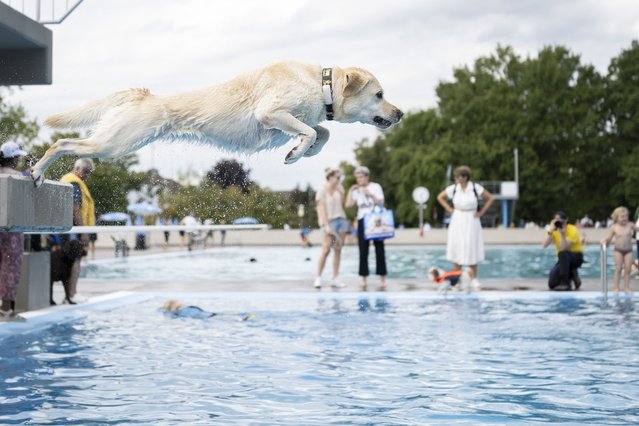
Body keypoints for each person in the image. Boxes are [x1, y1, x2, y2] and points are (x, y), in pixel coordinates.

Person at [436, 165, 494, 290]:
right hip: (457, 218)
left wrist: (481, 212)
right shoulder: (453, 189)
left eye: (458, 176)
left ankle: (473, 278)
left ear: (465, 177)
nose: (456, 178)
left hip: (471, 219)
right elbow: (440, 197)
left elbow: (490, 198)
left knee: (471, 245)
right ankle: (457, 278)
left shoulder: (475, 188)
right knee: (457, 245)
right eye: (455, 176)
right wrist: (449, 209)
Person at [59, 158, 95, 304]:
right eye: (86, 172)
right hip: (73, 229)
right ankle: (72, 294)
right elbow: (75, 207)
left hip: (66, 227)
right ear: (79, 169)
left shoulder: (66, 179)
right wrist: (83, 230)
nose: (87, 176)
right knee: (75, 259)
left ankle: (69, 295)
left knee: (70, 260)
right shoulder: (74, 182)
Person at [345, 166, 387, 291]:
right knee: (363, 250)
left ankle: (382, 278)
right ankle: (363, 277)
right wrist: (351, 190)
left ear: (367, 176)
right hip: (362, 220)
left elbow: (381, 203)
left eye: (361, 176)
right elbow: (348, 205)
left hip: (375, 219)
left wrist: (370, 194)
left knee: (379, 249)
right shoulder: (356, 190)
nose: (359, 179)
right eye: (357, 177)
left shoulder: (375, 187)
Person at [0, 142, 28, 321]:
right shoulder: (19, 177)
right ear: (14, 159)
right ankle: (7, 309)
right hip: (12, 229)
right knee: (11, 267)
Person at [314, 168, 348, 289]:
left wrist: (342, 193)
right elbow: (321, 209)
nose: (339, 180)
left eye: (340, 178)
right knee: (326, 250)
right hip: (329, 222)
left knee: (338, 250)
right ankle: (318, 278)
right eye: (338, 177)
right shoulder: (322, 191)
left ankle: (335, 278)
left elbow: (343, 205)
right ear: (330, 177)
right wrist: (326, 225)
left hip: (341, 220)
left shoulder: (340, 188)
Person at [543, 211, 584, 291]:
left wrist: (562, 234)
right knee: (552, 284)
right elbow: (544, 245)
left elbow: (563, 248)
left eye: (561, 221)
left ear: (566, 220)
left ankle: (566, 283)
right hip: (563, 260)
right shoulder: (553, 230)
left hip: (576, 257)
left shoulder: (572, 229)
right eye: (556, 221)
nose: (559, 223)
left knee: (563, 253)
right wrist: (550, 231)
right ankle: (573, 275)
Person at [601, 207, 638, 294]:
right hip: (618, 251)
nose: (624, 218)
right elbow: (609, 239)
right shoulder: (614, 227)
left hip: (629, 250)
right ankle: (616, 288)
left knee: (628, 269)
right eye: (622, 216)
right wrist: (605, 241)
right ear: (616, 218)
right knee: (618, 269)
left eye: (626, 216)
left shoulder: (630, 225)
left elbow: (638, 229)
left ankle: (626, 288)